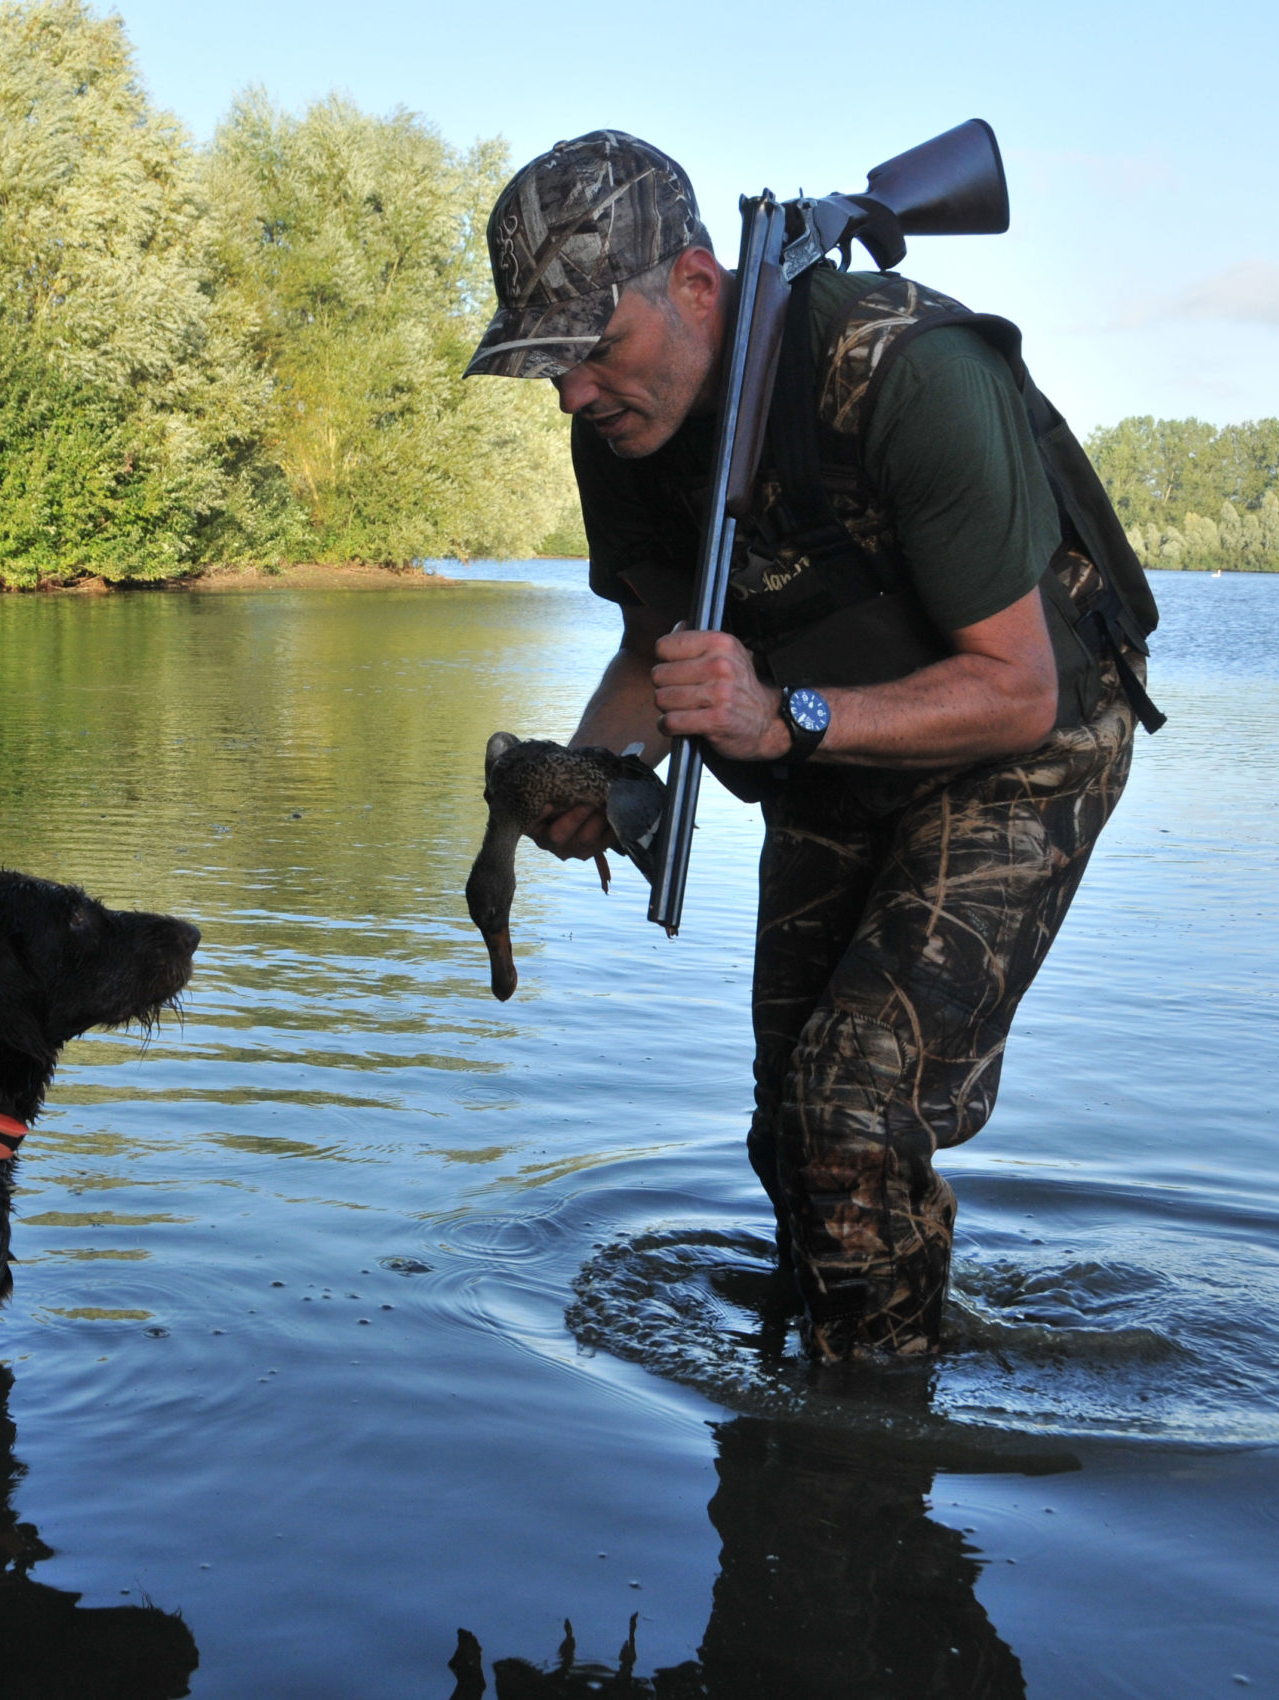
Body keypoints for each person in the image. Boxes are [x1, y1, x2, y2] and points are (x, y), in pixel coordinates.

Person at [464, 131, 1158, 1363]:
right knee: (789, 1129)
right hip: (823, 747)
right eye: (548, 364)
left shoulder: (905, 374)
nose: (570, 392)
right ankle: (837, 1389)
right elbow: (657, 650)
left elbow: (1017, 690)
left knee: (850, 1101)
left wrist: (786, 718)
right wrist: (593, 777)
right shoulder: (619, 432)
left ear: (693, 284)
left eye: (589, 347)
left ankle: (872, 1426)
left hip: (1021, 739)